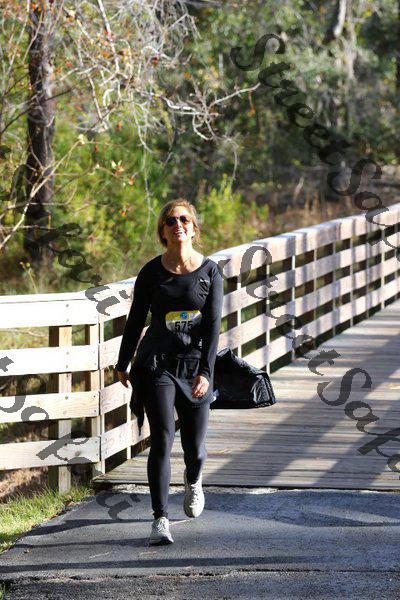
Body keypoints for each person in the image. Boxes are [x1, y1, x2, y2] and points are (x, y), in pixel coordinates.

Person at [115, 199, 224, 546]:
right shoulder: (151, 272)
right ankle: (159, 519)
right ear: (163, 231)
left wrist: (206, 372)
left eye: (184, 219)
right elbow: (136, 319)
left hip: (194, 365)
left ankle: (193, 480)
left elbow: (213, 326)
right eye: (171, 220)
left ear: (193, 228)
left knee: (195, 448)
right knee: (162, 437)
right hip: (157, 363)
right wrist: (123, 362)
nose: (178, 225)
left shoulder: (210, 272)